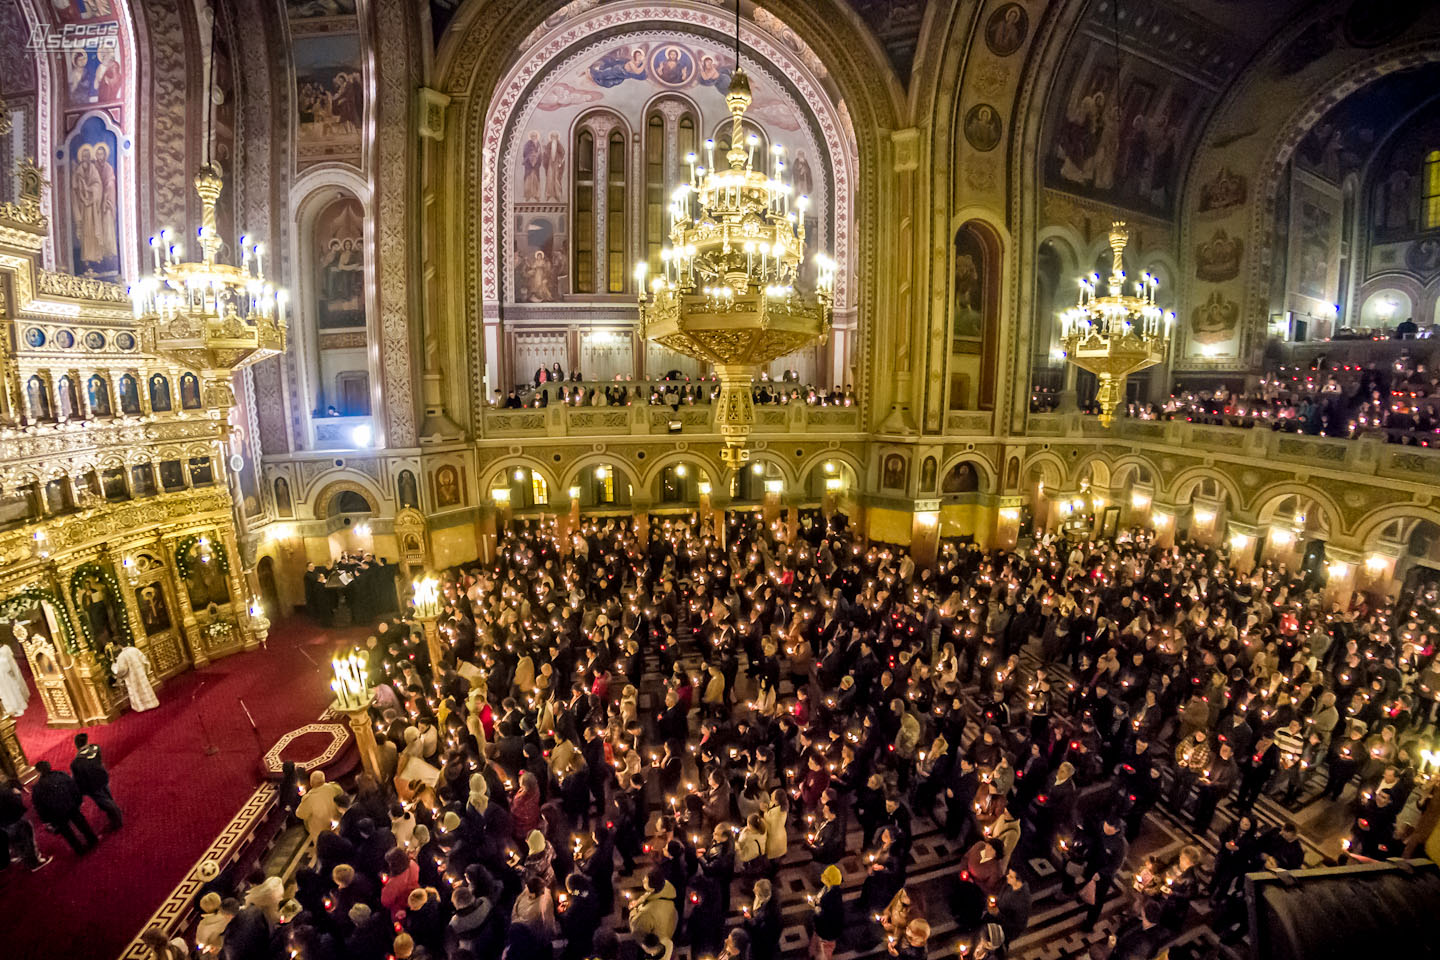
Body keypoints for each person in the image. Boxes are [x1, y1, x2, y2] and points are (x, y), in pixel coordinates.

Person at [30, 760, 97, 855]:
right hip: (71, 805)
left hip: (56, 814)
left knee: (67, 833)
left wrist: (46, 820)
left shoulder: (37, 787)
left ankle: (79, 850)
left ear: (39, 771)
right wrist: (78, 801)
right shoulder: (62, 775)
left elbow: (39, 806)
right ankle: (92, 839)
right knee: (82, 823)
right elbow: (74, 788)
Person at [70, 732, 122, 831]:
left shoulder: (76, 763)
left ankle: (117, 819)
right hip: (102, 777)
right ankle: (114, 813)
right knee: (108, 796)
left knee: (105, 803)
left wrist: (81, 791)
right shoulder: (95, 748)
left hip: (92, 786)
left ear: (76, 745)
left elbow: (78, 779)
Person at [0, 775, 50, 870]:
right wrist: (17, 795)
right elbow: (17, 804)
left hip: (3, 826)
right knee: (27, 841)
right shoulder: (5, 792)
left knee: (16, 844)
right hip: (16, 821)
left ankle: (25, 860)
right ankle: (35, 863)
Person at [809, 864, 845, 960]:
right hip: (824, 928)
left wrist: (815, 906)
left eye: (825, 876)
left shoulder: (832, 898)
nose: (822, 876)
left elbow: (824, 915)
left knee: (822, 950)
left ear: (830, 880)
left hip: (827, 931)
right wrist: (817, 900)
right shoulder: (830, 888)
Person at [111, 643, 159, 711]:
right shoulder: (135, 650)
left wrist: (115, 670)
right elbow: (145, 661)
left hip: (131, 678)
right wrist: (146, 671)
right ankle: (152, 703)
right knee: (145, 688)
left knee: (136, 691)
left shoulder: (122, 656)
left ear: (119, 645)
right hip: (141, 674)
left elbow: (122, 670)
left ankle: (141, 707)